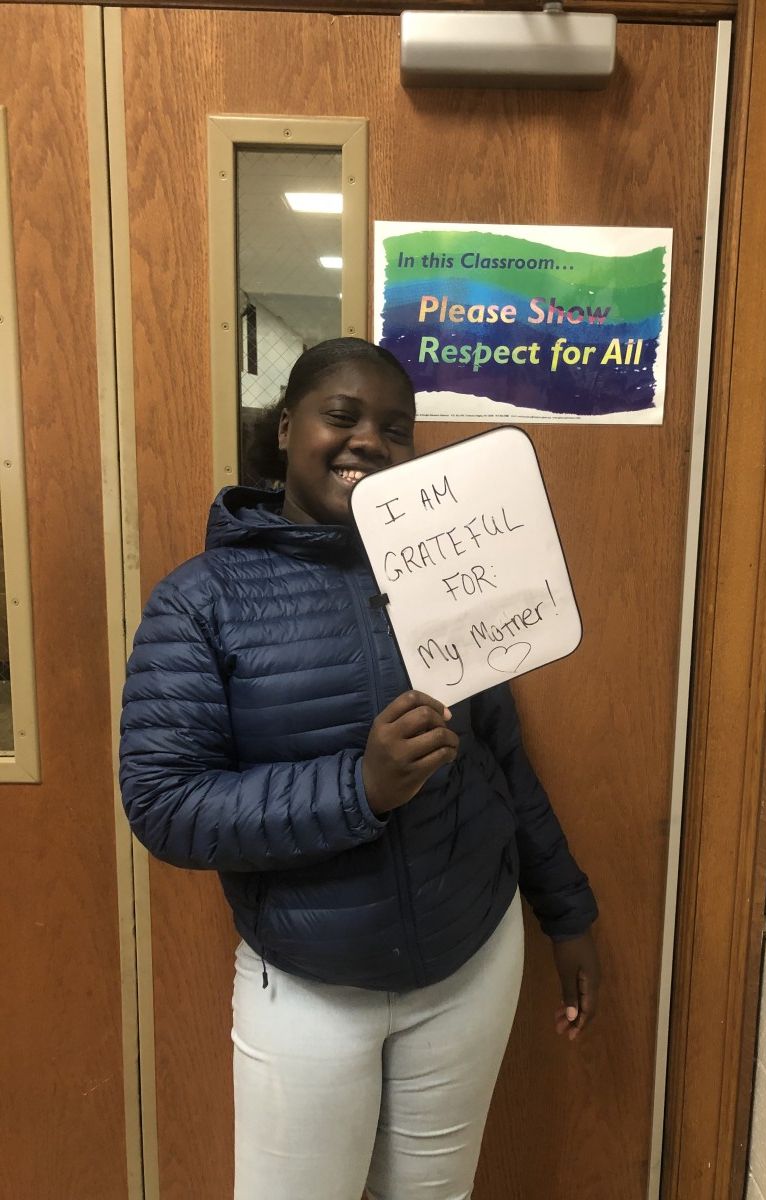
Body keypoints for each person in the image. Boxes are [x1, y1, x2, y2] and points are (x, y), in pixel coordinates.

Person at [120, 337, 599, 1200]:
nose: (368, 441)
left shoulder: (446, 574)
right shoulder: (202, 599)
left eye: (395, 428)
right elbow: (165, 804)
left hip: (471, 961)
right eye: (341, 417)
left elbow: (503, 762)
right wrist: (361, 788)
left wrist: (567, 914)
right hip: (308, 981)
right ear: (283, 430)